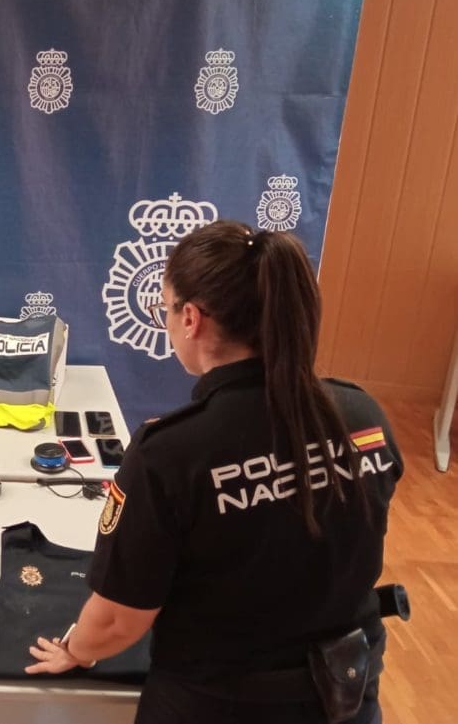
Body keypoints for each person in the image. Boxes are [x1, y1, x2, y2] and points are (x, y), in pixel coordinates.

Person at [25, 220, 402, 724]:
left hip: (220, 703)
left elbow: (117, 620)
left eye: (164, 309)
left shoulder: (171, 452)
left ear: (191, 318)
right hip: (345, 694)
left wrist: (76, 650)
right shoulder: (363, 416)